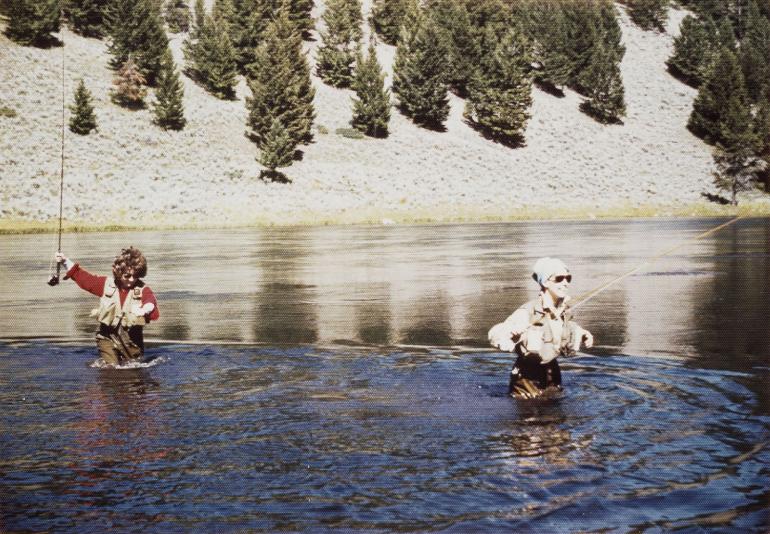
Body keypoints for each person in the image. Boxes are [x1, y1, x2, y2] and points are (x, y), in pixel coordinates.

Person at [488, 257, 593, 399]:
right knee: (532, 420)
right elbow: (495, 334)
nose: (565, 283)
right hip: (526, 379)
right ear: (544, 282)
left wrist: (583, 334)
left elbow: (566, 328)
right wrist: (511, 333)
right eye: (559, 278)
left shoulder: (563, 311)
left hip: (552, 373)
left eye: (568, 278)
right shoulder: (528, 310)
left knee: (555, 419)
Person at [55, 247, 159, 366]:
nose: (131, 280)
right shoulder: (105, 284)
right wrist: (64, 261)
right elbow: (85, 279)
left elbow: (151, 301)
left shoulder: (142, 289)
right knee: (111, 368)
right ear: (118, 273)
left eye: (135, 276)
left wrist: (144, 309)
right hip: (106, 337)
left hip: (131, 343)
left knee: (134, 368)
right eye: (127, 276)